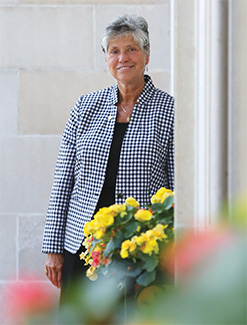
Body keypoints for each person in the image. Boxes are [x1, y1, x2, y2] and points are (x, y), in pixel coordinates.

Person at [42, 13, 174, 293]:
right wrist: (53, 247)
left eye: (131, 49)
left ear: (147, 54)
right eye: (114, 51)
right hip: (83, 246)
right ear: (107, 59)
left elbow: (178, 188)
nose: (123, 58)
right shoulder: (85, 106)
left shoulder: (170, 110)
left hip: (140, 250)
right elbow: (63, 180)